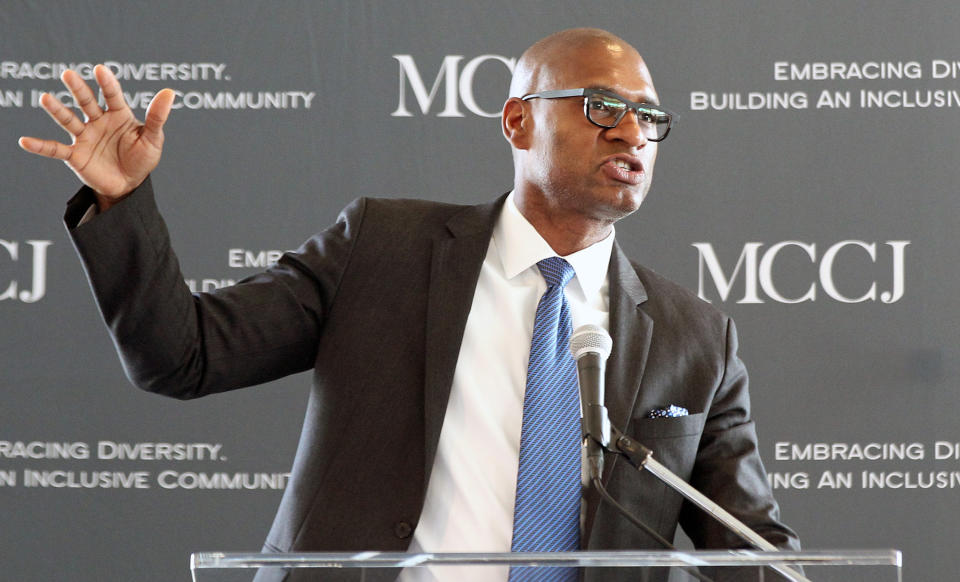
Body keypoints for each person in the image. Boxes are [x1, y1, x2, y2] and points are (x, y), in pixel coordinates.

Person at [20, 28, 799, 581]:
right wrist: (122, 201)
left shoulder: (696, 337)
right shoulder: (383, 248)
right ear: (519, 119)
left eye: (650, 118)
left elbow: (750, 547)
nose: (632, 132)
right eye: (600, 106)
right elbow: (182, 355)